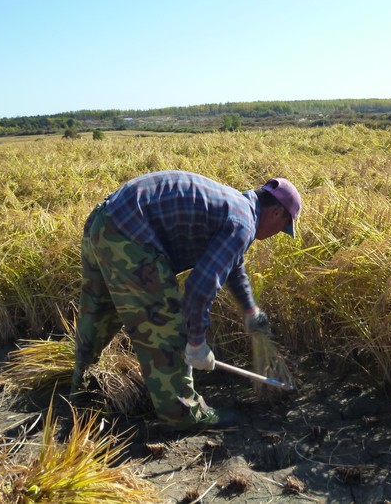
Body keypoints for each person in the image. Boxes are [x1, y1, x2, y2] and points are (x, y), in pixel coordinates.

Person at [71, 170, 301, 430]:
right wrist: (196, 343)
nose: (277, 233)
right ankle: (183, 414)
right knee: (165, 329)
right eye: (283, 228)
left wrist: (250, 310)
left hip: (104, 221)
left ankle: (81, 390)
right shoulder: (243, 223)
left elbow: (232, 266)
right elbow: (198, 288)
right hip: (132, 235)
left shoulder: (237, 207)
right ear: (277, 213)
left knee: (99, 310)